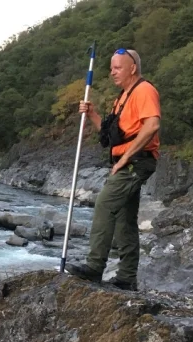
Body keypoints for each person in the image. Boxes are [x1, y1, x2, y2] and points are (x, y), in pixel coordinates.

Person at [65, 48, 161, 291]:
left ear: (132, 68)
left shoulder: (144, 90)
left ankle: (95, 266)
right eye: (111, 68)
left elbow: (152, 125)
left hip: (136, 161)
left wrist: (124, 159)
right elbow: (110, 136)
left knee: (105, 205)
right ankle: (127, 277)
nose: (112, 72)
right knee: (125, 220)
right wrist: (93, 114)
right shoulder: (123, 97)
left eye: (117, 67)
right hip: (128, 160)